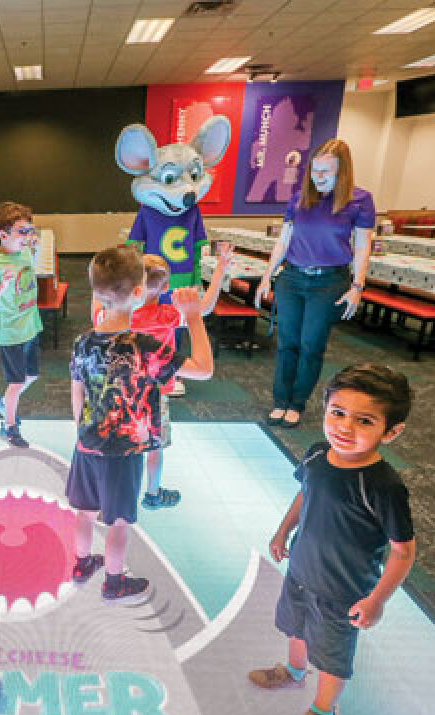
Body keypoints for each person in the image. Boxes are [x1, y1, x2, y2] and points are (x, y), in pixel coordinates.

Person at [248, 364, 416, 715]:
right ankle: (293, 671)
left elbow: (403, 550)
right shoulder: (317, 455)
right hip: (300, 571)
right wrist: (283, 530)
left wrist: (376, 600)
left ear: (391, 432)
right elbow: (305, 493)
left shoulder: (383, 486)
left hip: (342, 590)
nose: (344, 427)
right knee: (294, 626)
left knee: (332, 656)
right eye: (337, 412)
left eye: (364, 420)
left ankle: (322, 712)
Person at [68, 245, 215, 602]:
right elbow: (204, 369)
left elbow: (77, 394)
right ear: (138, 292)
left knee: (85, 512)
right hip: (124, 449)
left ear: (97, 292)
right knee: (119, 521)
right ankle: (114, 582)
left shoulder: (83, 341)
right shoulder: (144, 347)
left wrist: (83, 433)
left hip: (86, 441)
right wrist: (194, 317)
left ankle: (82, 564)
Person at [91, 248, 230, 509]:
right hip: (156, 394)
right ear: (166, 287)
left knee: (119, 443)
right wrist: (220, 270)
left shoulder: (119, 316)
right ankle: (153, 494)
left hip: (122, 392)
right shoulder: (168, 315)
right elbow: (205, 308)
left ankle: (106, 494)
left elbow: (96, 309)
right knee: (154, 448)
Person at [253, 139, 375, 428]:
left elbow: (362, 246)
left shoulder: (360, 200)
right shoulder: (299, 198)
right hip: (292, 278)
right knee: (287, 343)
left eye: (325, 172)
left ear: (342, 172)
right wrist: (267, 275)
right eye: (314, 171)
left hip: (329, 282)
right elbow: (283, 241)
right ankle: (280, 401)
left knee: (311, 345)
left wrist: (358, 286)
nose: (318, 177)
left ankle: (297, 403)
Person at [0, 200, 42, 447]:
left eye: (29, 230)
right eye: (22, 232)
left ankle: (4, 403)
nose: (27, 236)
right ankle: (9, 427)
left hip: (30, 326)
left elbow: (31, 267)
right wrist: (2, 286)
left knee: (32, 375)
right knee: (16, 383)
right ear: (3, 235)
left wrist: (35, 246)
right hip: (11, 333)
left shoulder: (24, 253)